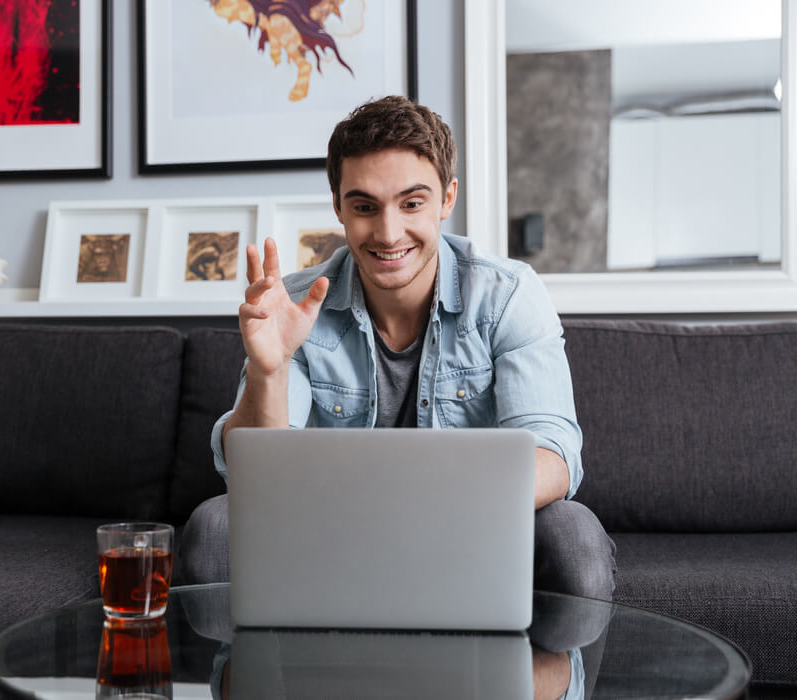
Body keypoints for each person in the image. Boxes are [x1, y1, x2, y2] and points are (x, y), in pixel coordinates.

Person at [182, 96, 616, 602]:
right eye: (365, 207)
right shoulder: (298, 305)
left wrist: (431, 505)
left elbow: (555, 453)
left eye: (411, 203)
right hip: (327, 532)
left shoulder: (508, 295)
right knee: (214, 525)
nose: (388, 234)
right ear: (338, 205)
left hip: (473, 527)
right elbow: (253, 476)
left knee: (572, 533)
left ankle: (537, 685)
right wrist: (268, 369)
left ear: (447, 199)